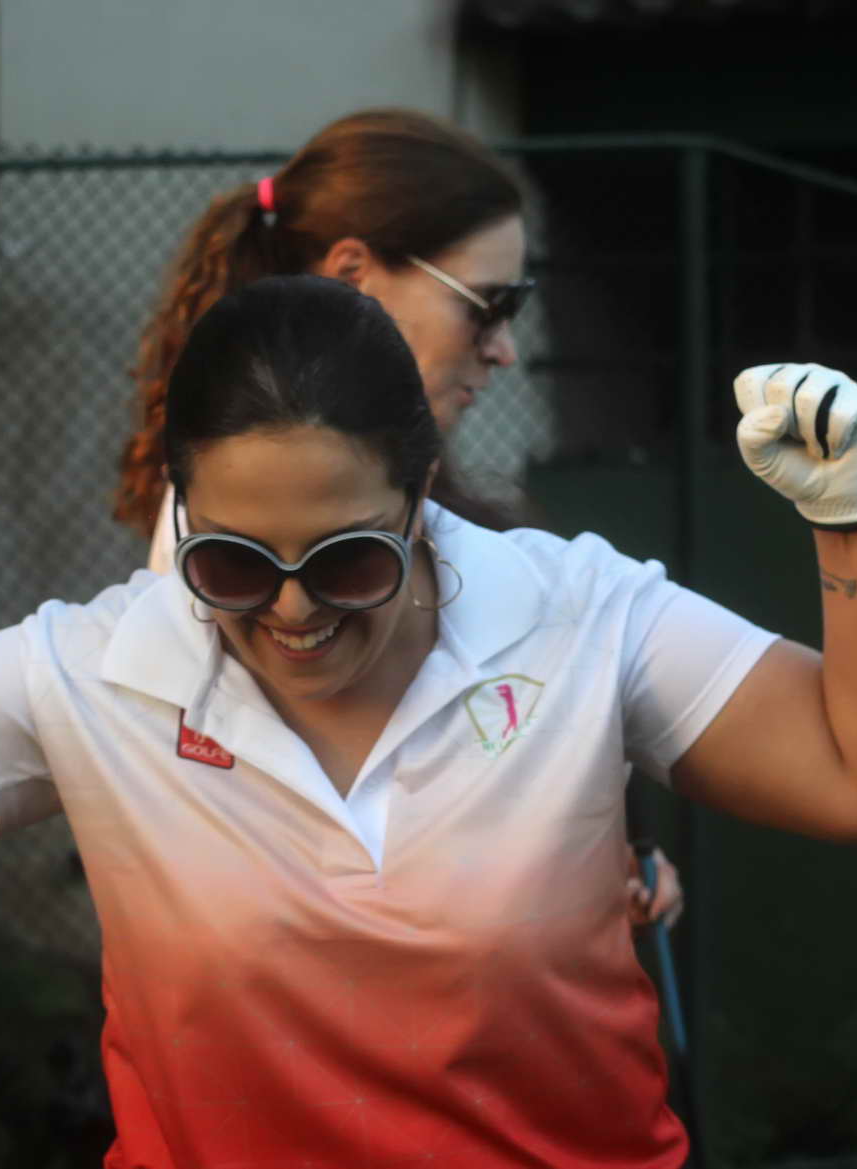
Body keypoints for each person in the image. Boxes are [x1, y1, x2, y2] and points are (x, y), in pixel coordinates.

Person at [0, 276, 857, 1166]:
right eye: (234, 563)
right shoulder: (99, 669)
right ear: (180, 511)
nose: (293, 609)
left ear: (422, 497)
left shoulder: (576, 612)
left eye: (349, 559)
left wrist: (852, 513)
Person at [115, 108, 685, 926]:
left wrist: (594, 849)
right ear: (355, 275)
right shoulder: (211, 543)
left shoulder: (430, 500)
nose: (504, 348)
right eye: (487, 304)